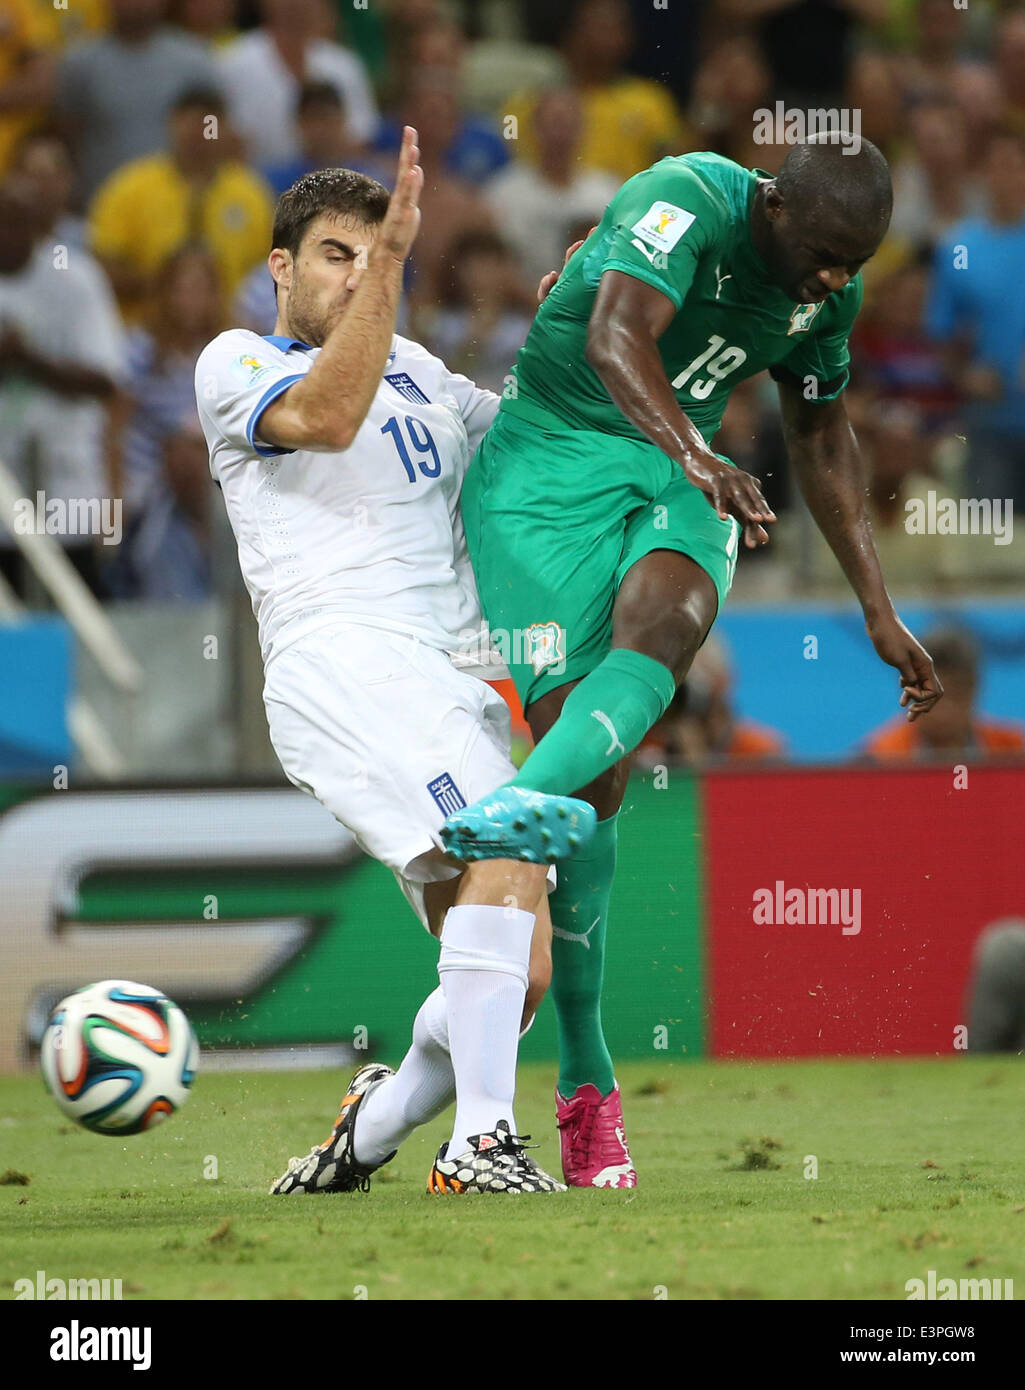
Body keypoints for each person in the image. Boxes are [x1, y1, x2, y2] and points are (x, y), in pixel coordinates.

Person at [442, 136, 943, 1190]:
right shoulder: (681, 199)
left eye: (855, 262)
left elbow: (818, 434)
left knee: (668, 621)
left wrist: (875, 604)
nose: (832, 279)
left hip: (681, 474)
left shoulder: (824, 298)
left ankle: (514, 813)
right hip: (548, 466)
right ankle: (582, 1067)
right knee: (605, 770)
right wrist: (694, 450)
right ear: (772, 204)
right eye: (820, 253)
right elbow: (620, 333)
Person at [195, 131, 593, 1197]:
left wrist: (569, 332)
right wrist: (396, 265)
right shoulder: (238, 363)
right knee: (504, 851)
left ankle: (361, 1139)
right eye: (336, 254)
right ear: (281, 267)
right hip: (346, 660)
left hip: (451, 675)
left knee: (513, 972)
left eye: (372, 255)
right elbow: (325, 417)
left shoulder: (418, 371)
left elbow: (525, 447)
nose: (357, 273)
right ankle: (481, 1148)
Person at [0, 178, 127, 598]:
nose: (7, 235)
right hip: (3, 484)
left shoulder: (75, 278)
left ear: (36, 226)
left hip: (64, 487)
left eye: (16, 224)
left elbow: (105, 379)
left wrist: (27, 359)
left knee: (74, 616)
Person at [88, 86, 273, 325]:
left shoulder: (251, 194)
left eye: (208, 127)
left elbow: (270, 272)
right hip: (146, 333)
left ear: (225, 130)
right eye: (190, 125)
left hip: (229, 334)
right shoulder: (129, 187)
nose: (199, 135)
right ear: (171, 125)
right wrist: (170, 287)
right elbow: (100, 266)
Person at [55, 0, 220, 202]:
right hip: (102, 202)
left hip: (180, 205)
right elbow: (68, 133)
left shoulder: (194, 60)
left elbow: (213, 123)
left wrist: (207, 148)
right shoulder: (81, 63)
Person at [862, 625, 1025, 761]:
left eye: (955, 695)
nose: (944, 712)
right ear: (909, 693)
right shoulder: (880, 757)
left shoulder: (1014, 751)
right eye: (930, 697)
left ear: (974, 689)